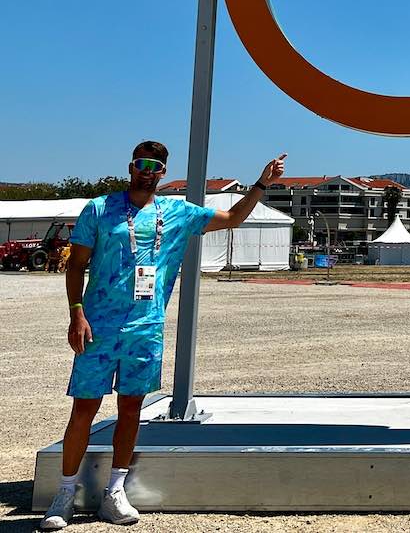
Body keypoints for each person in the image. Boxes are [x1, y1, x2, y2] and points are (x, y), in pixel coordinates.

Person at [40, 141, 286, 530]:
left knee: (131, 409)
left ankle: (115, 493)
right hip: (98, 327)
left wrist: (261, 183)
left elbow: (233, 217)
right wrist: (76, 314)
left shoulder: (176, 212)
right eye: (142, 164)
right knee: (84, 409)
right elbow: (76, 266)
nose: (147, 171)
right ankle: (65, 492)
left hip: (145, 328)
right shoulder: (100, 209)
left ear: (163, 172)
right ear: (131, 167)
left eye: (155, 166)